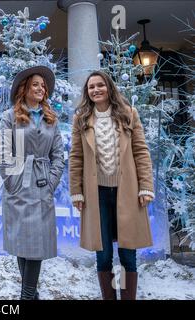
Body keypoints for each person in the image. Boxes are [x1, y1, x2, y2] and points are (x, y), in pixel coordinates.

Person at [69, 70, 154, 300]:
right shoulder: (82, 119)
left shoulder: (128, 114)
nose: (96, 90)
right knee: (103, 254)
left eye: (100, 85)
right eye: (91, 87)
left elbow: (141, 152)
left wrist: (146, 186)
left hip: (127, 192)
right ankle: (109, 297)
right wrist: (76, 191)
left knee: (127, 254)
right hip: (96, 195)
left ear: (109, 87)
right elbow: (76, 157)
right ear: (87, 92)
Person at [0, 66, 65, 300]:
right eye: (36, 84)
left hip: (43, 183)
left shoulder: (51, 119)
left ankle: (26, 296)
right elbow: (3, 153)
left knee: (36, 244)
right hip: (18, 184)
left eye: (43, 86)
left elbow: (59, 155)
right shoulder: (10, 117)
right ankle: (31, 294)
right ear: (24, 88)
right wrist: (13, 182)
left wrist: (51, 182)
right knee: (22, 242)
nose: (41, 88)